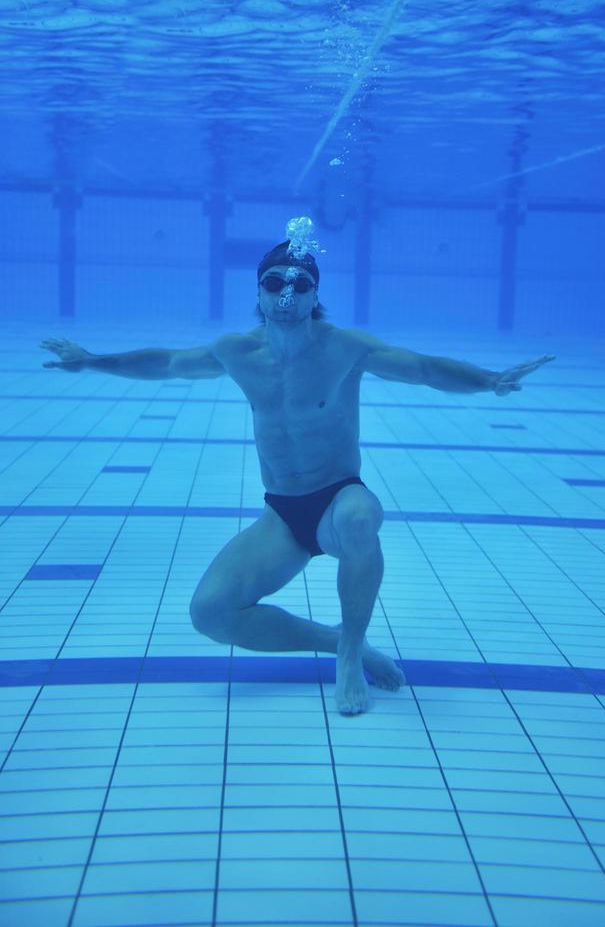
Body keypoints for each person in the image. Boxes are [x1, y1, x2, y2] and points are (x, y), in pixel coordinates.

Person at [40, 237, 555, 715]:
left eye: (300, 284)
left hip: (337, 499)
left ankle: (349, 655)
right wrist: (91, 362)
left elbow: (420, 368)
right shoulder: (237, 353)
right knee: (210, 613)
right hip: (283, 516)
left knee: (359, 518)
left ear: (315, 296)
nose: (286, 295)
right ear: (259, 293)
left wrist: (489, 381)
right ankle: (335, 638)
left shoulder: (345, 348)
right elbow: (168, 363)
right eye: (274, 283)